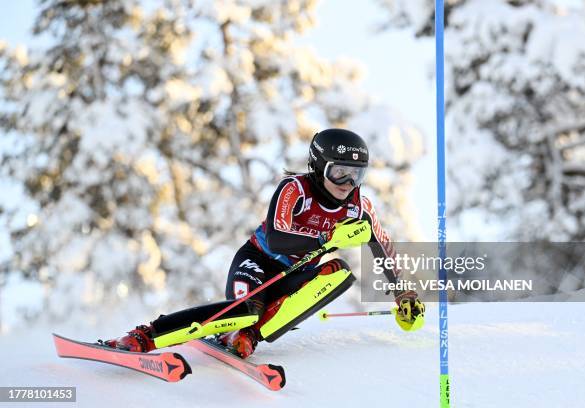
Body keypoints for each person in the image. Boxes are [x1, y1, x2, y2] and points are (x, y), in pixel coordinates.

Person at [104, 129, 425, 358]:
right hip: (259, 263)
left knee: (338, 273)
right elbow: (277, 236)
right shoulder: (295, 189)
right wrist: (326, 237)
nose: (348, 183)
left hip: (296, 275)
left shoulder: (359, 207)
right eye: (339, 172)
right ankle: (145, 336)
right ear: (318, 166)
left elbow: (382, 249)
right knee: (245, 310)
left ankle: (246, 337)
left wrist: (404, 294)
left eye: (356, 174)